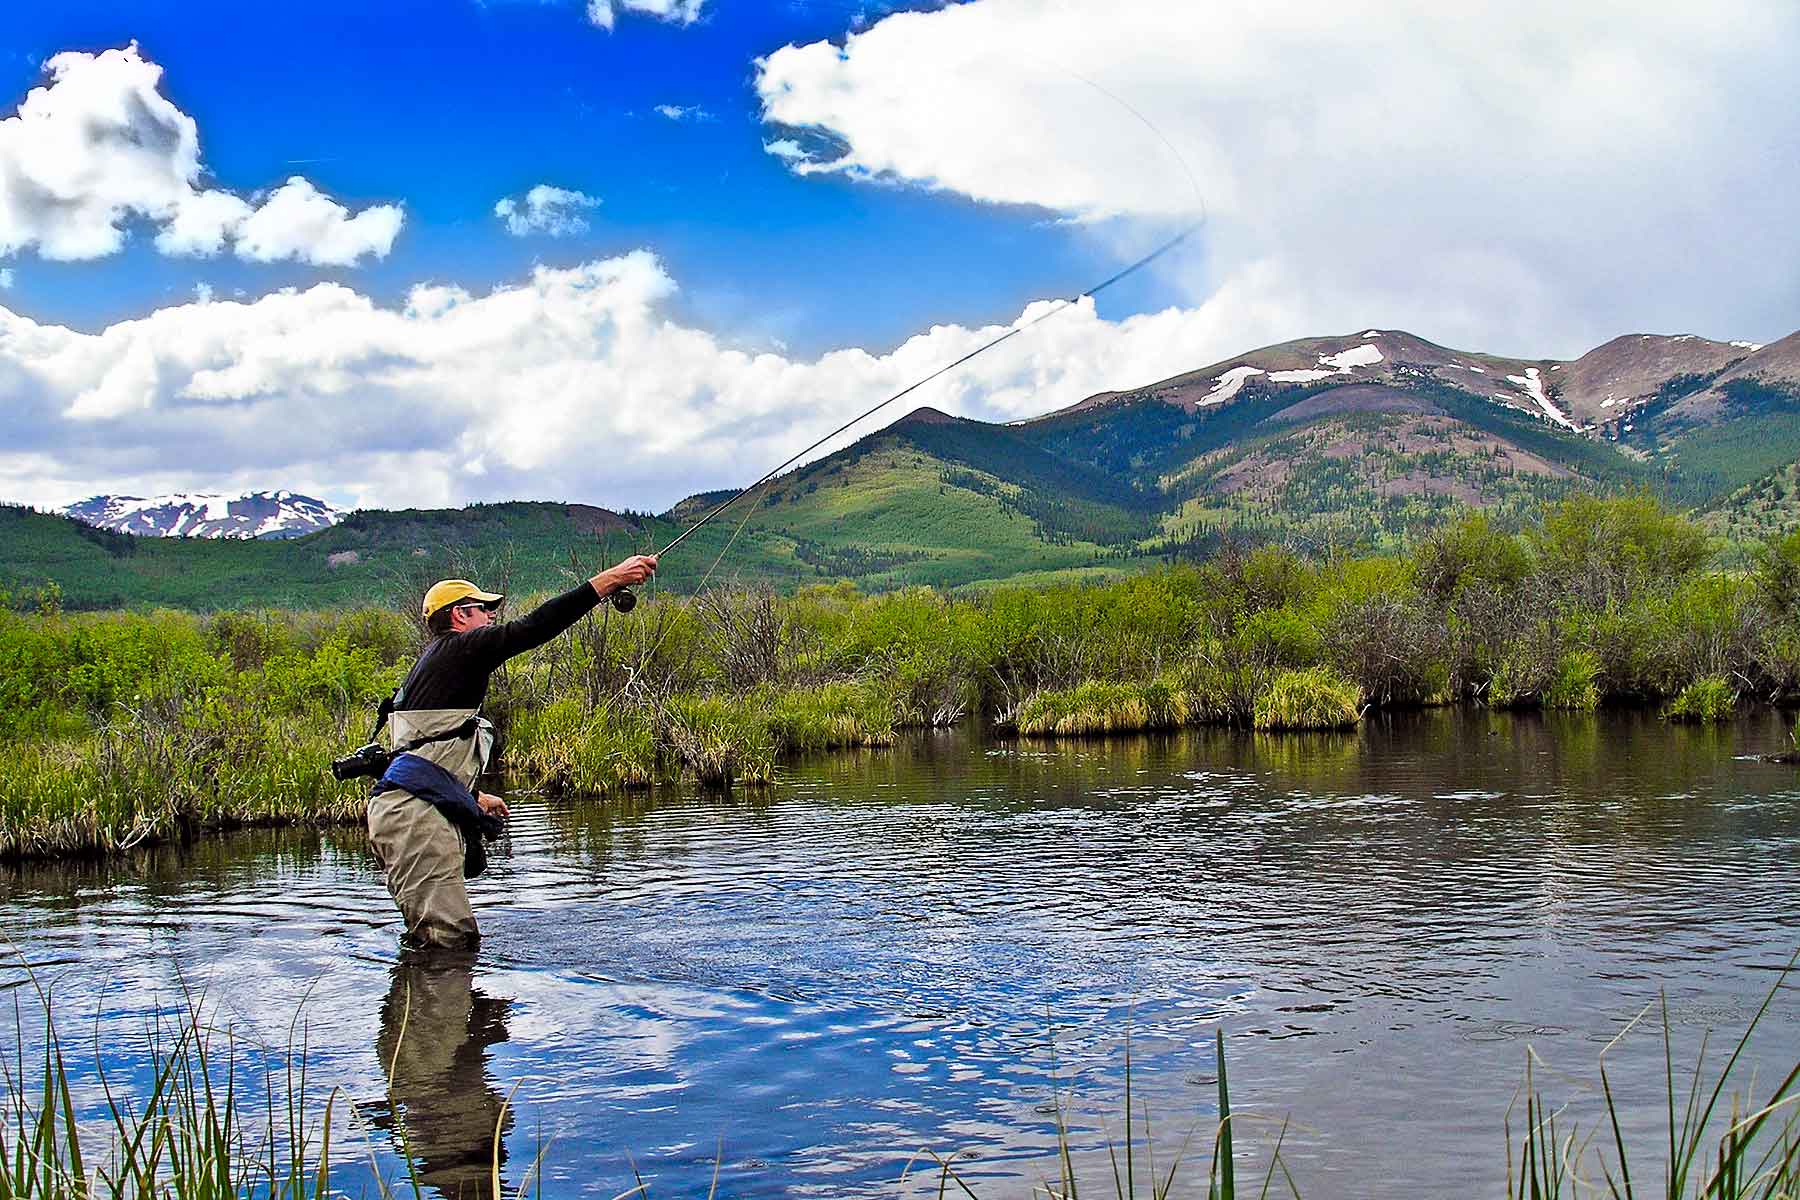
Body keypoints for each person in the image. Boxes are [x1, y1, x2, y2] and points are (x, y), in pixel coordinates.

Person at [368, 555, 656, 950]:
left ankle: (464, 1010)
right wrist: (609, 581)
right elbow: (532, 628)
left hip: (414, 812)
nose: (490, 616)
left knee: (435, 941)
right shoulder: (457, 649)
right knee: (448, 946)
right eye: (484, 609)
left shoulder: (439, 664)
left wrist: (471, 796)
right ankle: (436, 1012)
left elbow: (419, 755)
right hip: (416, 822)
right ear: (460, 615)